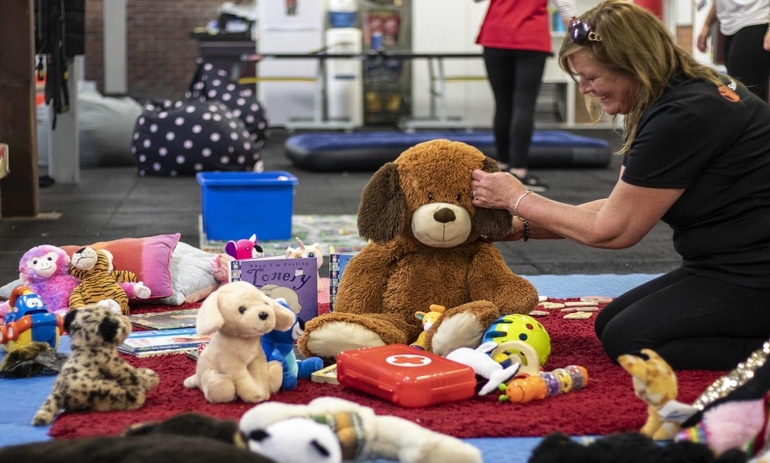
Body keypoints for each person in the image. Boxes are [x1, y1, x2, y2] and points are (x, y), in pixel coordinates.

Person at [470, 0, 770, 371]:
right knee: (609, 321)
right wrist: (522, 227)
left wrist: (516, 197)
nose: (584, 90)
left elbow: (613, 231)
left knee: (629, 340)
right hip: (724, 262)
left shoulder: (681, 115)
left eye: (591, 77)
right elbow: (622, 204)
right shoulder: (681, 93)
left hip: (753, 271)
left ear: (631, 65)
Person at [475, 0, 577, 192]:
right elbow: (566, 7)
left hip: (496, 34)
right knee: (524, 105)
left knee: (503, 105)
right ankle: (519, 170)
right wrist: (577, 43)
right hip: (531, 38)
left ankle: (503, 165)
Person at [696, 0, 770, 103]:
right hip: (729, 28)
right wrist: (707, 25)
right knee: (737, 91)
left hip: (755, 20)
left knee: (746, 96)